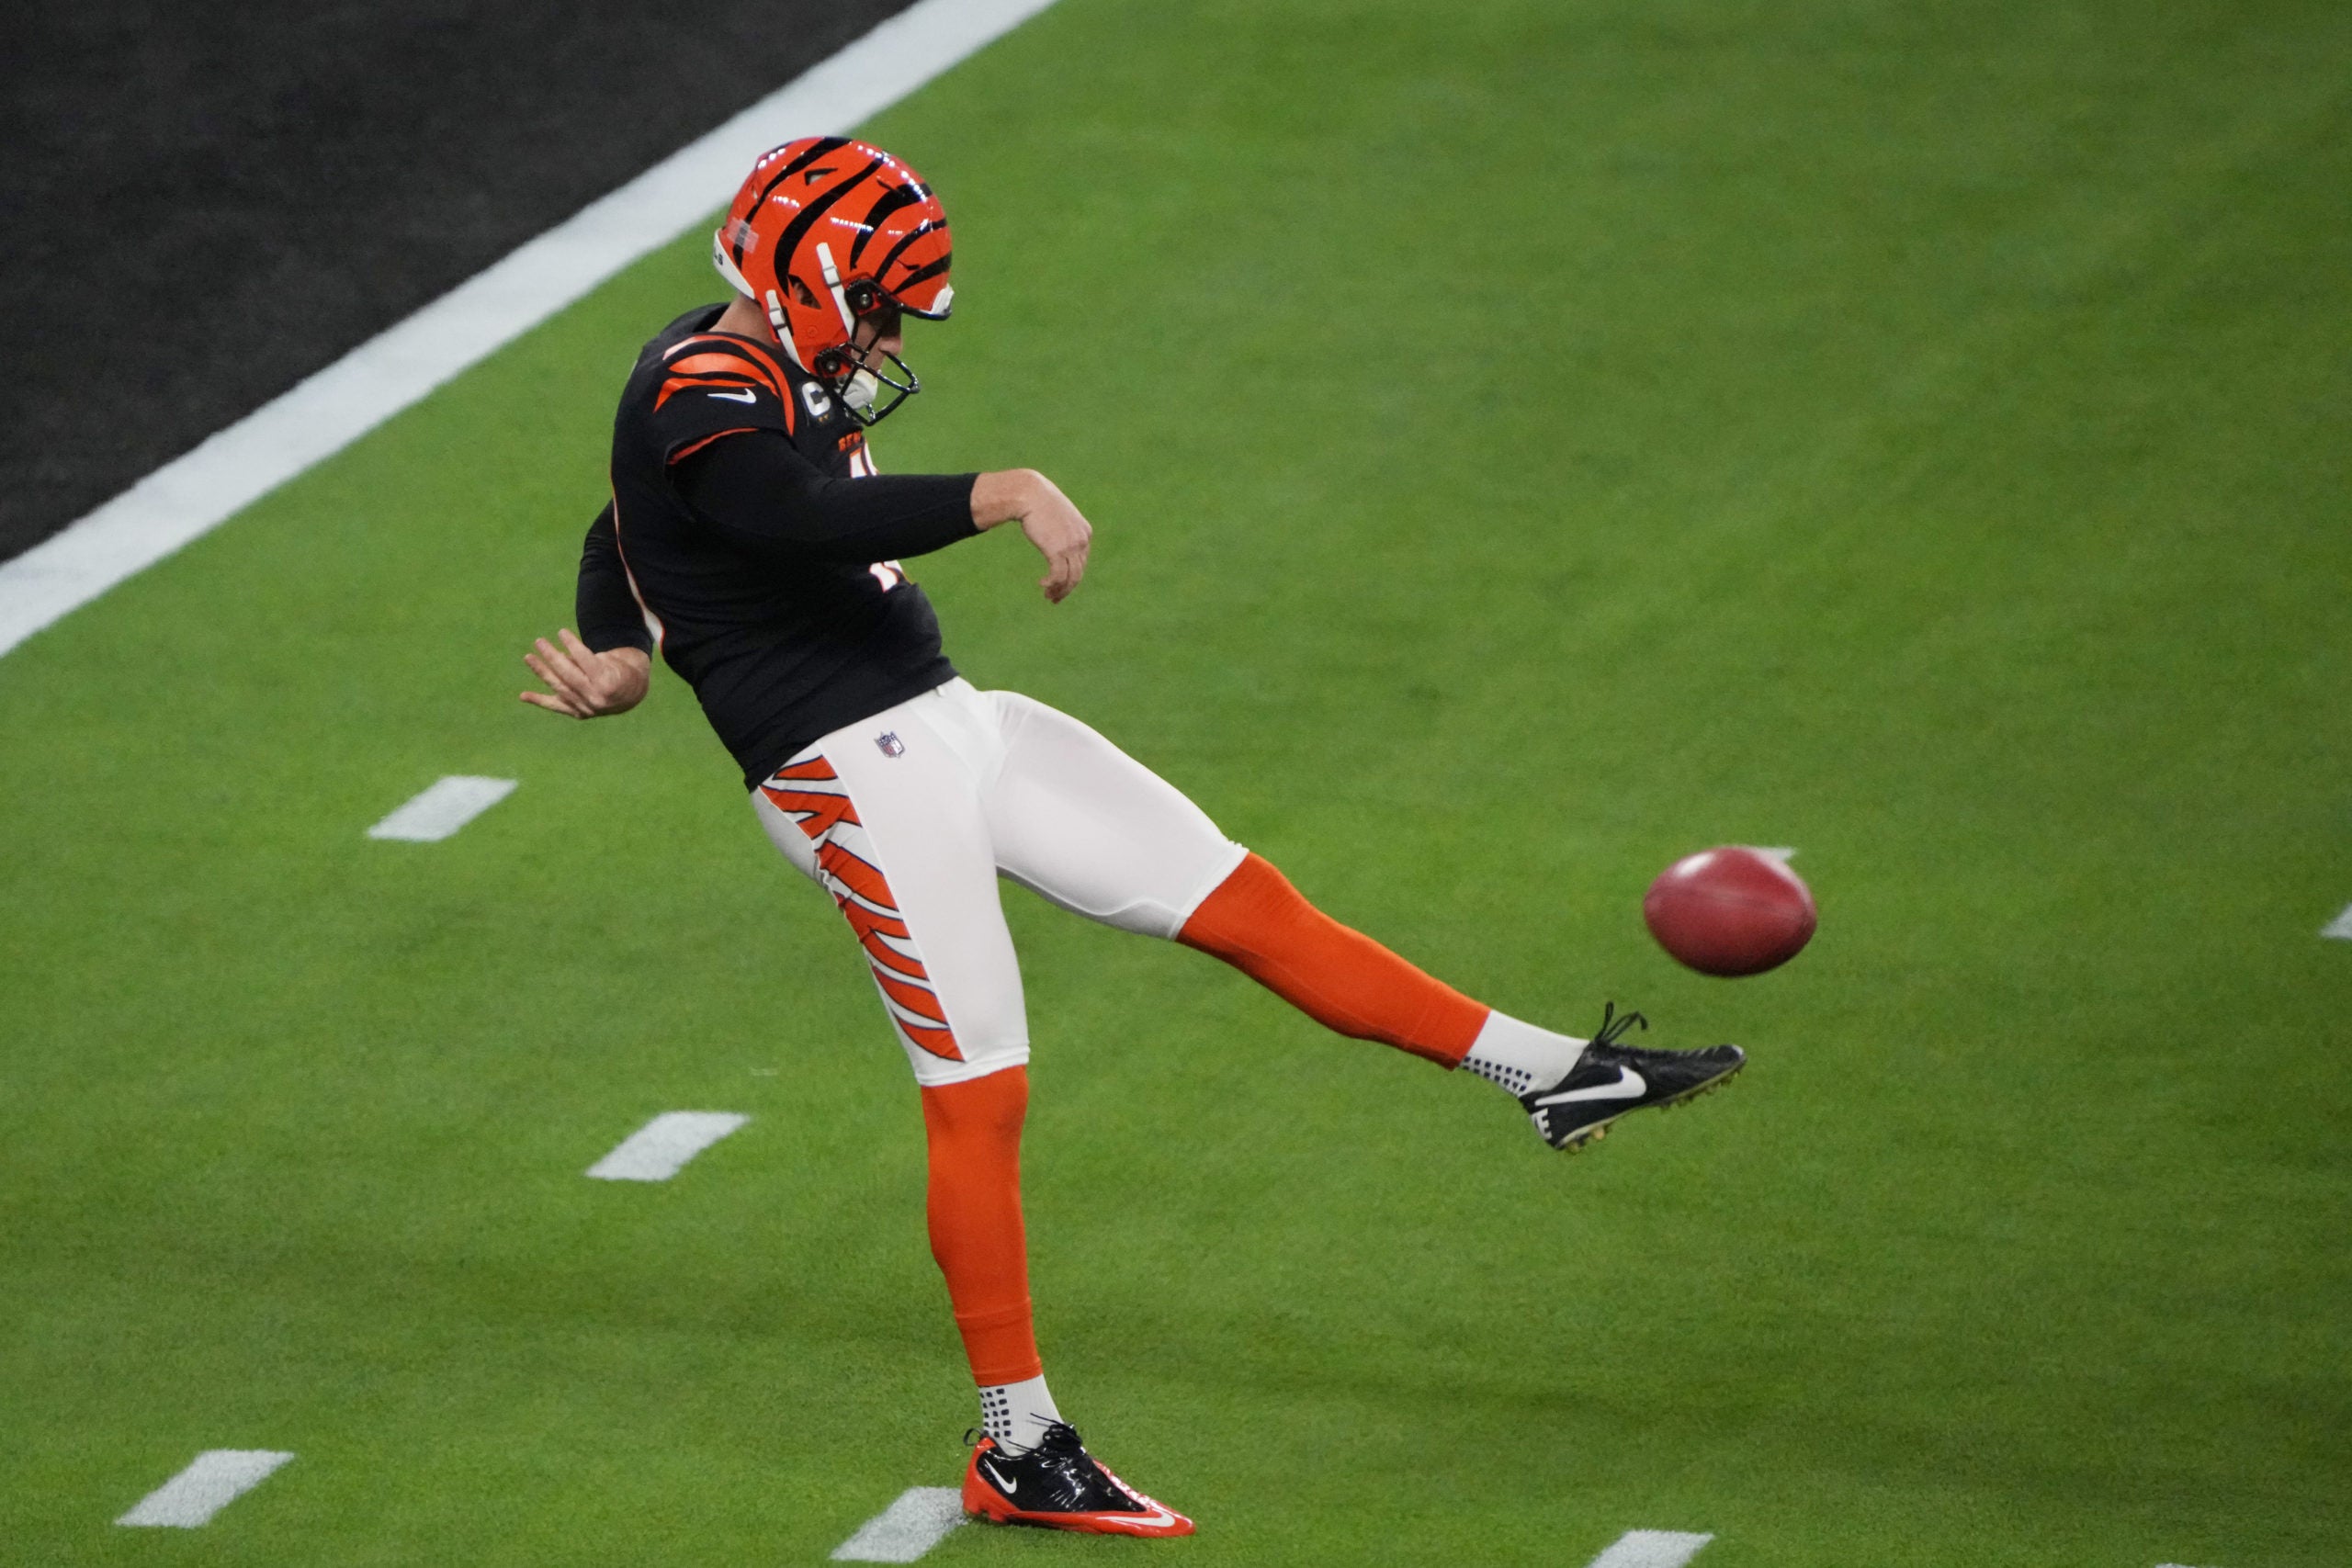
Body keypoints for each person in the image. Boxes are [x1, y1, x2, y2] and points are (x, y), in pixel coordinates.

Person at [520, 137, 1745, 1539]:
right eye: (879, 303)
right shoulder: (697, 388)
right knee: (978, 1091)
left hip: (943, 720)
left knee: (1243, 901)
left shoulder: (724, 366)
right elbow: (781, 510)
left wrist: (619, 649)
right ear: (808, 273)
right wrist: (999, 488)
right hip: (845, 774)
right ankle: (1018, 1447)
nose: (888, 335)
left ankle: (1558, 1075)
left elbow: (619, 526)